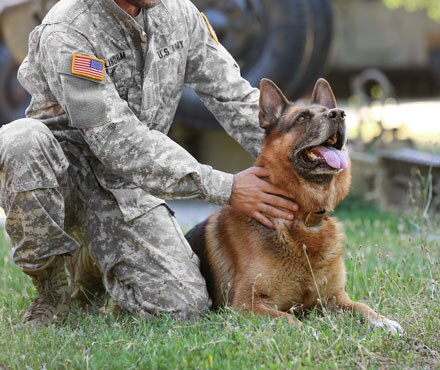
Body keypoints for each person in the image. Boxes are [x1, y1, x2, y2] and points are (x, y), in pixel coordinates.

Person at [0, 0, 298, 326]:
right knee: (21, 142)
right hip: (65, 179)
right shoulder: (69, 28)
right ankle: (51, 291)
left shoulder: (178, 13)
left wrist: (294, 153)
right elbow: (114, 138)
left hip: (126, 188)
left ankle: (91, 263)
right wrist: (226, 187)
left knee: (185, 307)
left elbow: (233, 96)